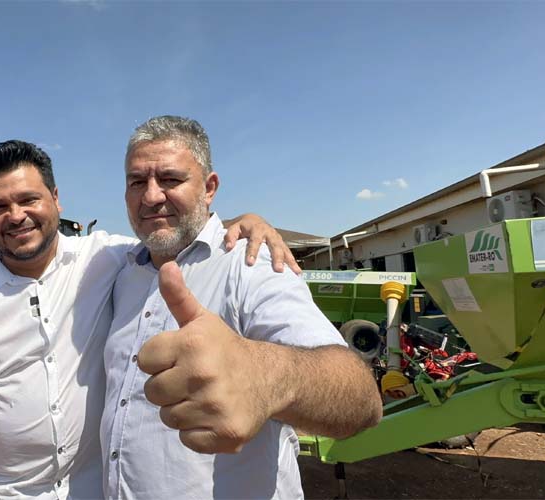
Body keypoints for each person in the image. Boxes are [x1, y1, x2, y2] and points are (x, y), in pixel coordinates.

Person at [0, 140, 295, 499]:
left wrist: (247, 221)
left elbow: (176, 234)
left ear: (56, 199)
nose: (16, 215)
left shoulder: (109, 258)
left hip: (92, 489)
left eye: (28, 199)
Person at [101, 115, 384, 499]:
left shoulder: (250, 263)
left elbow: (360, 398)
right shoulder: (121, 271)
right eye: (137, 181)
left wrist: (265, 374)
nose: (151, 196)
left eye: (170, 179)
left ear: (209, 187)